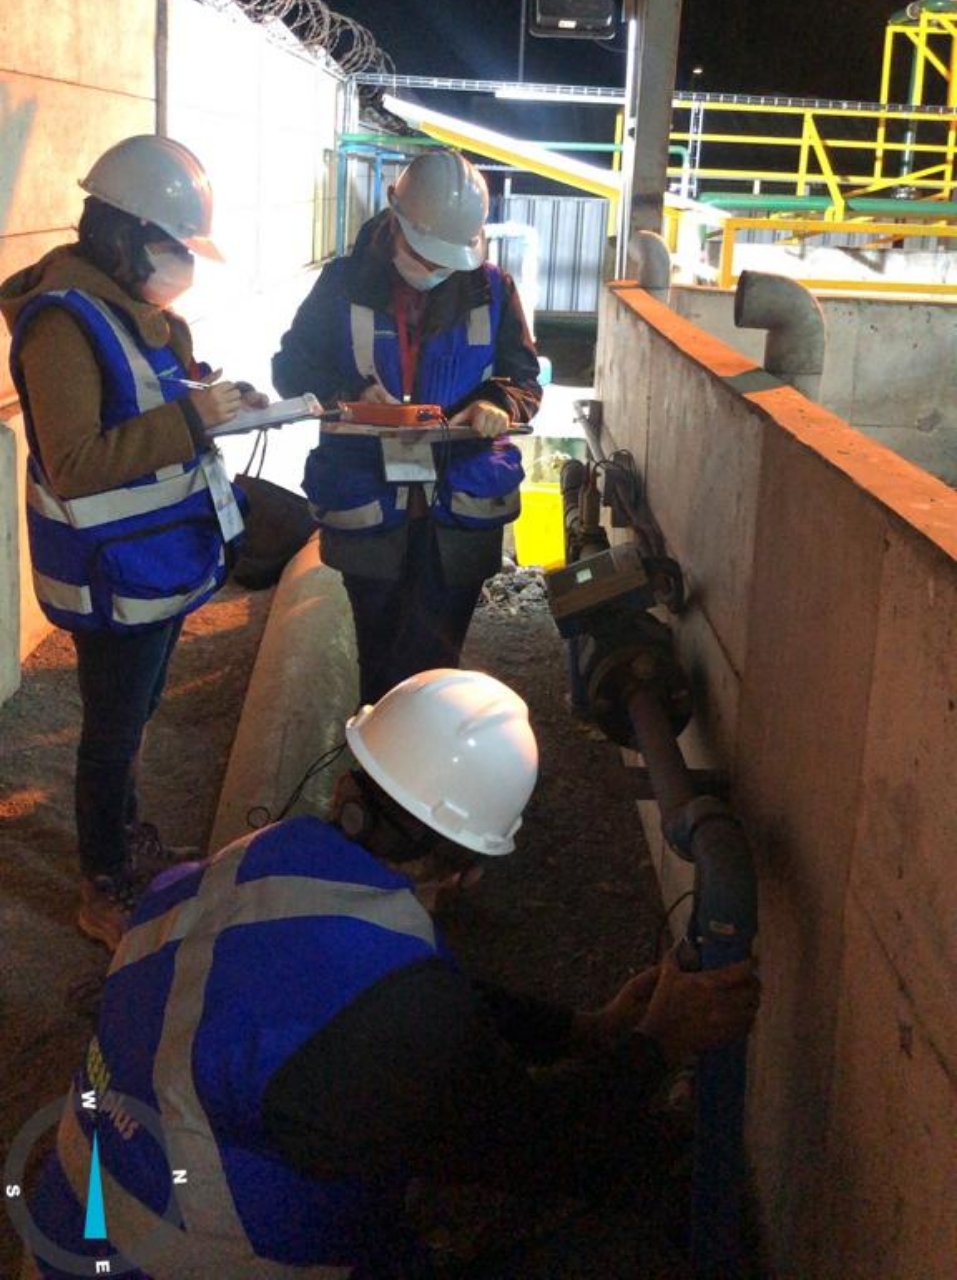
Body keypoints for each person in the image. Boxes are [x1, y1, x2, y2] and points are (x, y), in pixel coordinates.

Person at [22, 669, 760, 1280]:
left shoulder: (223, 873)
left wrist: (582, 1031)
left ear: (345, 790)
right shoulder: (393, 1013)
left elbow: (418, 999)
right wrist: (660, 1043)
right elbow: (537, 1144)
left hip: (68, 1227)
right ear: (467, 871)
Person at [0, 135, 268, 951]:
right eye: (173, 244)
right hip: (112, 568)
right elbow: (76, 463)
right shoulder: (62, 324)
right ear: (123, 233)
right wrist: (192, 417)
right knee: (113, 731)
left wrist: (213, 395)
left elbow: (142, 397)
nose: (183, 261)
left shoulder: (129, 308)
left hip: (156, 557)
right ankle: (103, 883)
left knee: (137, 712)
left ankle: (125, 842)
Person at [273, 149, 542, 704]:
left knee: (440, 661)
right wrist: (348, 394)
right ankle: (376, 747)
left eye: (447, 259)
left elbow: (523, 380)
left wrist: (499, 403)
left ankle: (430, 747)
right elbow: (291, 368)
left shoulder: (492, 288)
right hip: (368, 498)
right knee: (379, 653)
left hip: (461, 503)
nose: (434, 269)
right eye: (424, 255)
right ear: (396, 219)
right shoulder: (343, 283)